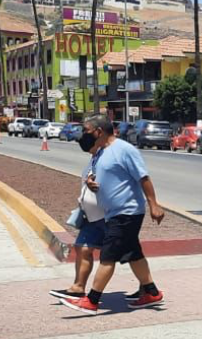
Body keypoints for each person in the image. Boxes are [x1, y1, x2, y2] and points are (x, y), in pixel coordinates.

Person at [59, 114, 167, 315]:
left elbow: (143, 177)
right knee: (133, 253)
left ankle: (92, 300)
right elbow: (102, 175)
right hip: (112, 213)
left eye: (87, 131)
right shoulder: (101, 152)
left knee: (108, 257)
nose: (84, 135)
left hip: (127, 212)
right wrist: (91, 183)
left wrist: (154, 204)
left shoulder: (124, 150)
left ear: (99, 131)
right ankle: (151, 292)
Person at [47, 127, 112, 301]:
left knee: (129, 254)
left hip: (108, 216)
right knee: (82, 248)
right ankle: (78, 288)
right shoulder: (93, 159)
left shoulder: (110, 157)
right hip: (91, 217)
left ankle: (147, 287)